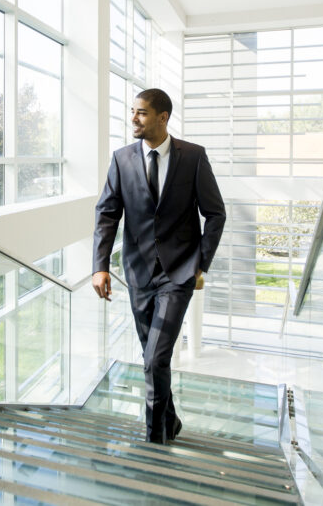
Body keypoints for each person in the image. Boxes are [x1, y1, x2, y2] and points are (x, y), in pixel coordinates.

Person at [92, 88, 225, 444]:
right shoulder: (121, 159)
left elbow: (215, 214)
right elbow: (107, 213)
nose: (133, 119)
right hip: (137, 274)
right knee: (153, 357)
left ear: (163, 117)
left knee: (155, 358)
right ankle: (171, 421)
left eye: (142, 113)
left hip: (178, 273)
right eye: (132, 112)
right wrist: (100, 265)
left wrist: (201, 265)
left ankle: (156, 439)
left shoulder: (193, 157)